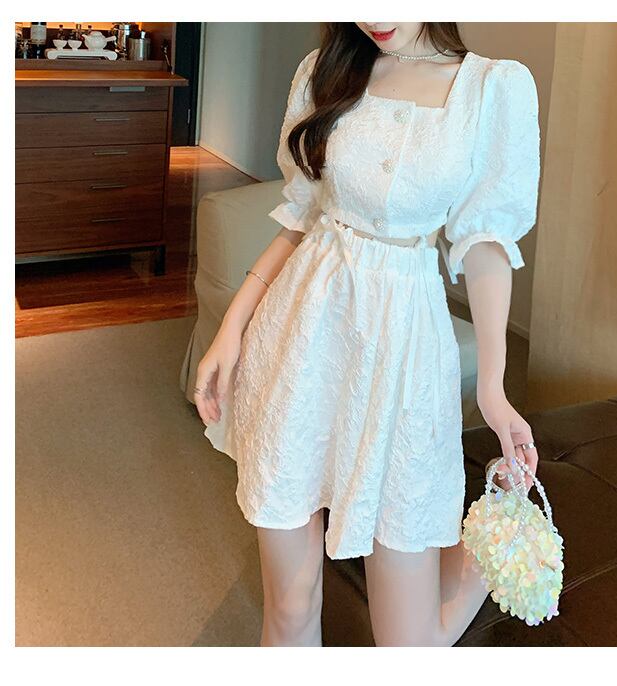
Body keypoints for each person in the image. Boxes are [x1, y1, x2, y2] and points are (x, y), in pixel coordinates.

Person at [194, 21, 541, 647]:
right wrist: (233, 326)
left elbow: (487, 242)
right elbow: (303, 217)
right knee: (289, 609)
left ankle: (487, 552)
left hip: (404, 358)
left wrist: (492, 387)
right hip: (300, 343)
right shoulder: (324, 70)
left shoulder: (492, 89)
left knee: (408, 644)